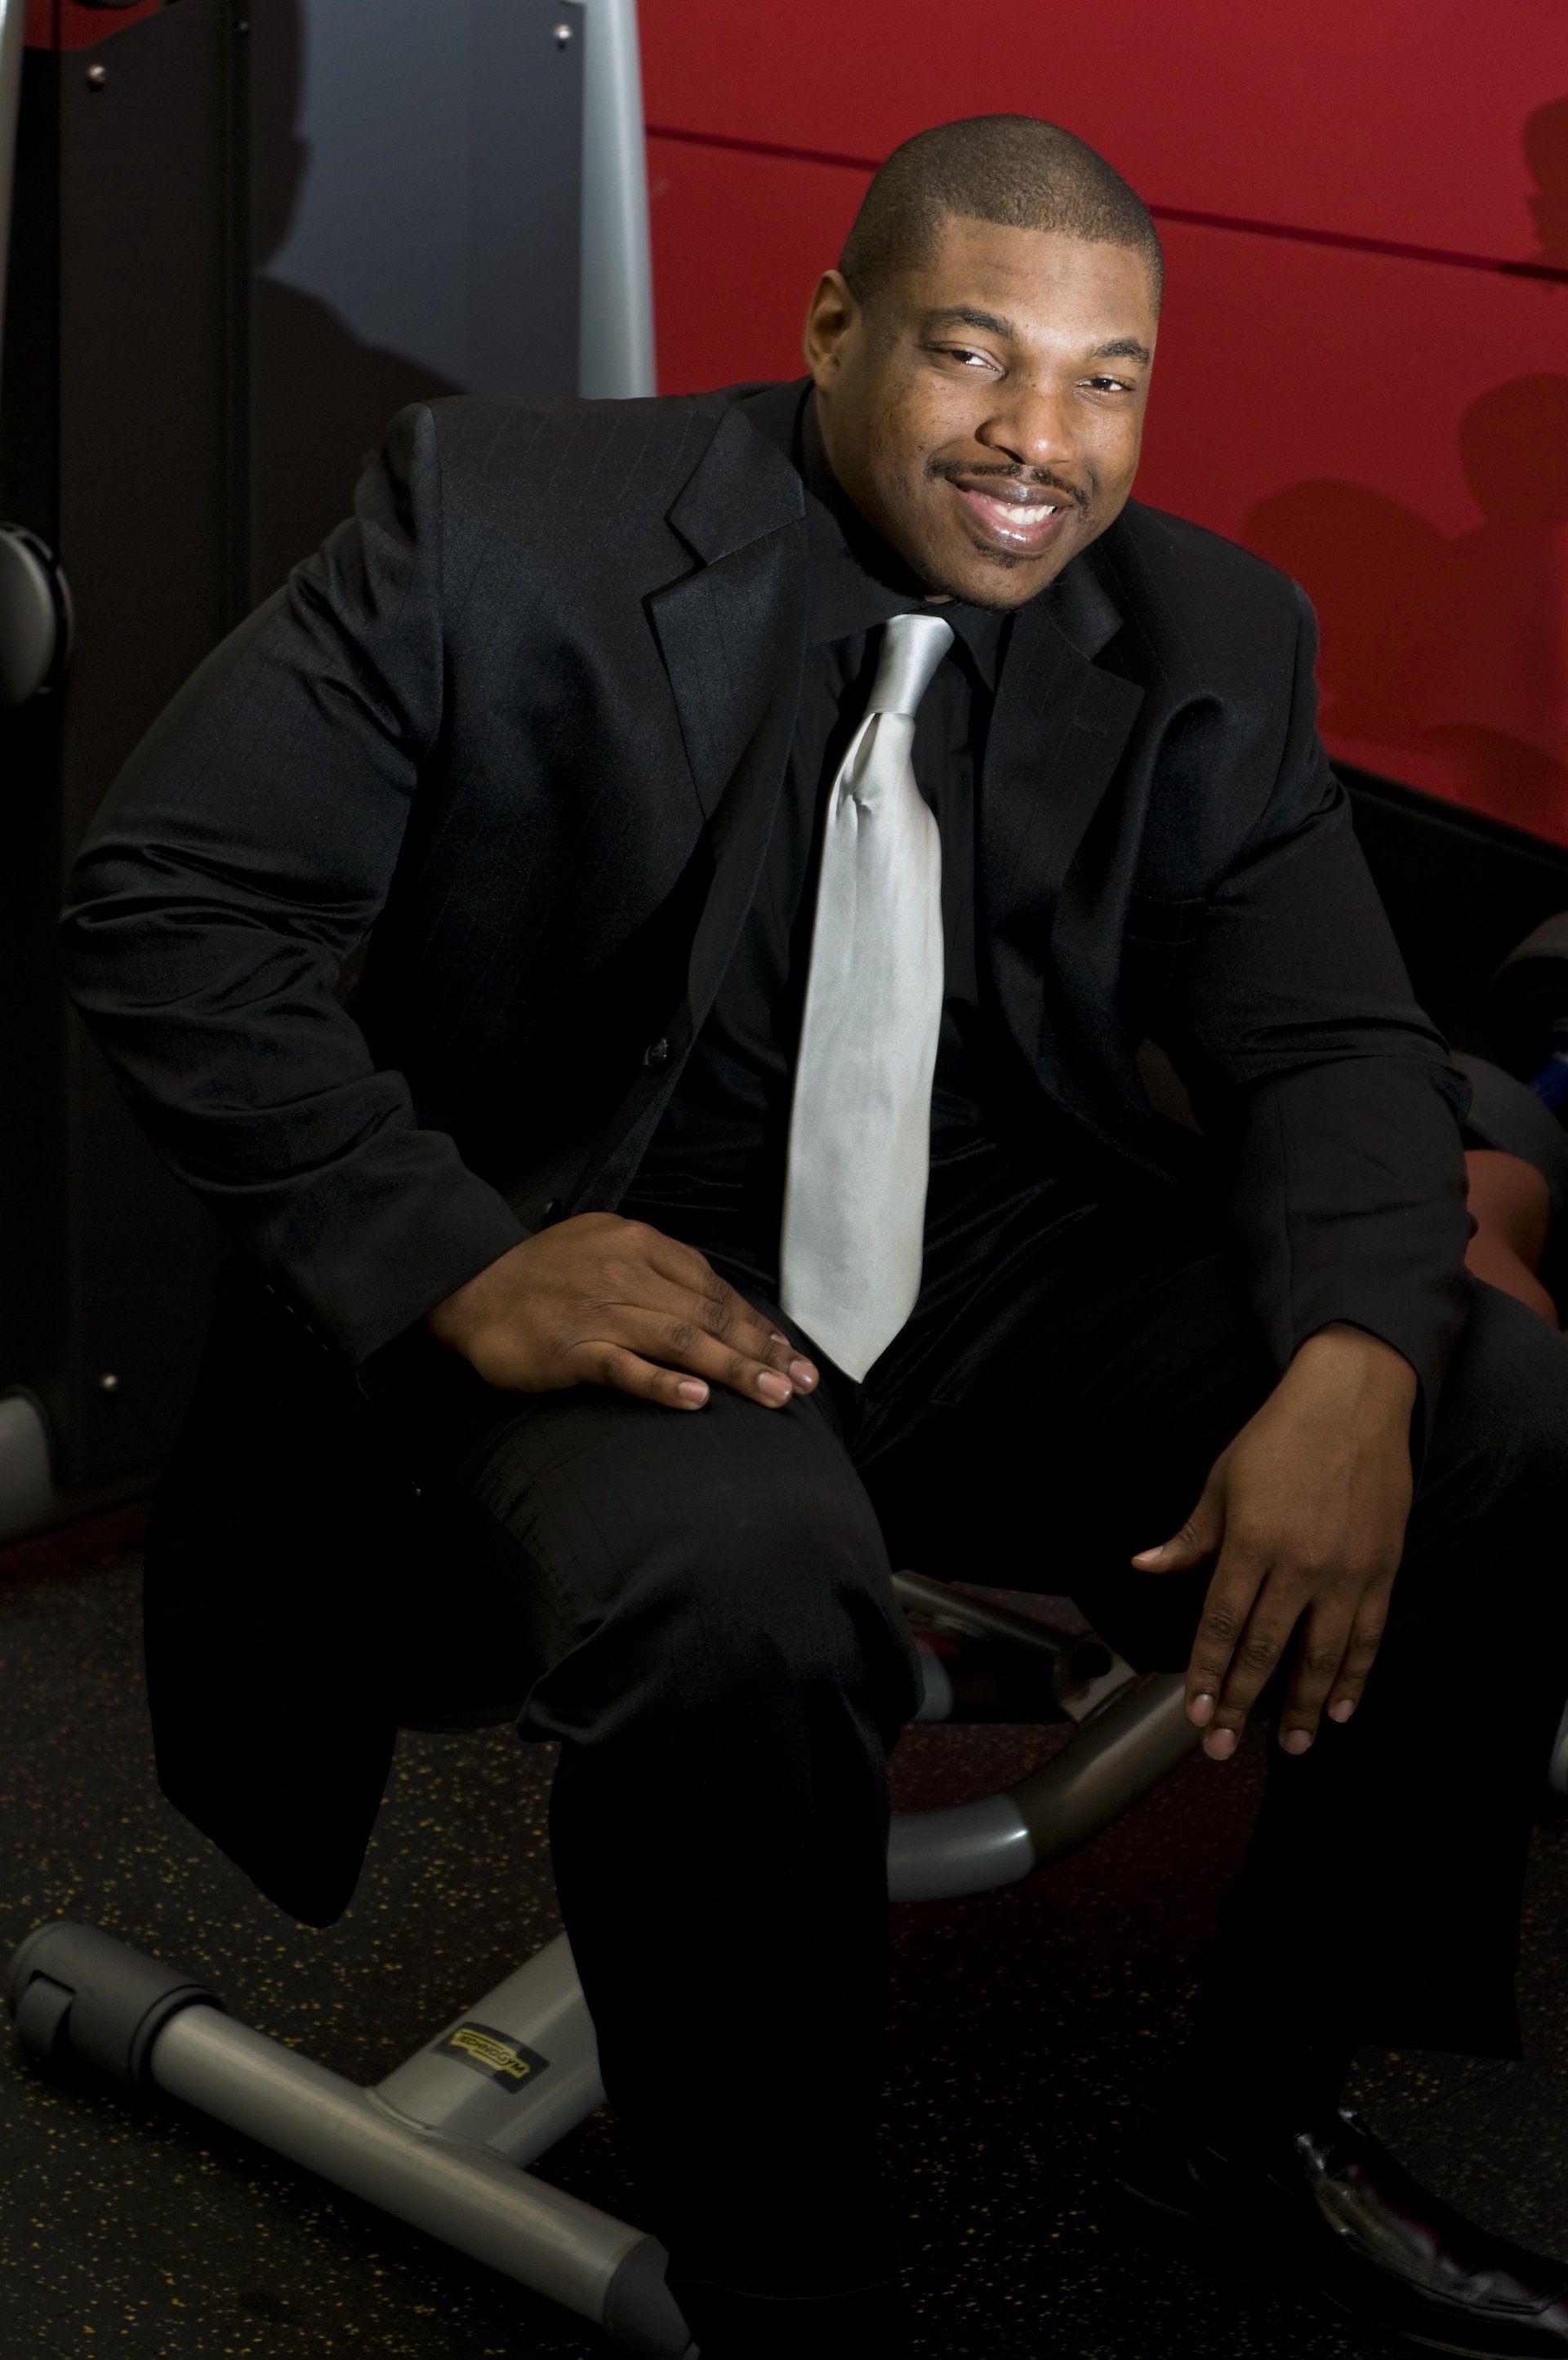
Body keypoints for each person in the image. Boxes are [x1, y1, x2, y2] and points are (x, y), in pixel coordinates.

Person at [61, 114, 1568, 2359]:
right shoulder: (498, 519)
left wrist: (1356, 1365)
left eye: (1108, 380)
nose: (1042, 439)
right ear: (835, 325)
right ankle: (793, 2285)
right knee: (747, 1581)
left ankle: (1259, 2114)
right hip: (593, 1248)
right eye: (975, 354)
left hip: (989, 1258)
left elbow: (1334, 1036)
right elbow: (172, 897)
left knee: (1491, 1397)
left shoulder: (1216, 631)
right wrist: (452, 1253)